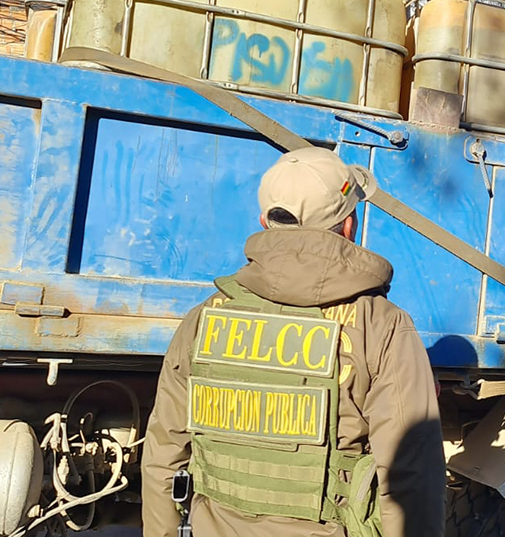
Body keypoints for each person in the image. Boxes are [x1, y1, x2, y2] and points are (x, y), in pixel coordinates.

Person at [142, 147, 445, 537]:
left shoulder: (205, 317)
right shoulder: (380, 326)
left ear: (265, 222)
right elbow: (411, 479)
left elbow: (164, 455)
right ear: (349, 226)